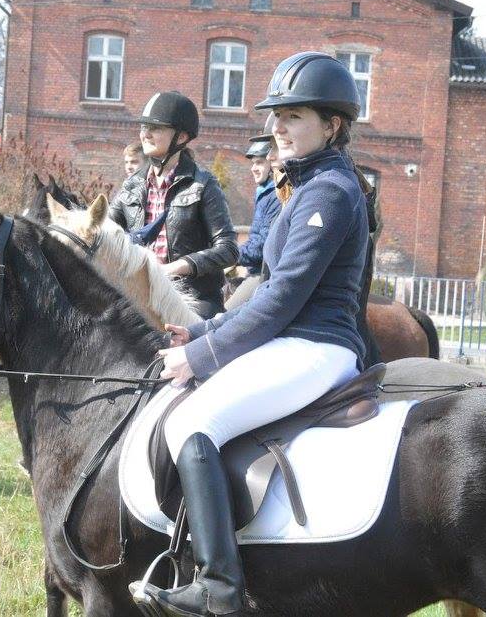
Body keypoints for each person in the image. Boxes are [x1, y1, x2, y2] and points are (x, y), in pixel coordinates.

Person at [134, 52, 369, 616]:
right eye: (276, 116)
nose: (278, 127)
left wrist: (202, 357)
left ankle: (219, 589)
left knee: (193, 424)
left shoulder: (329, 191)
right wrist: (202, 331)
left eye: (293, 116)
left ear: (332, 125)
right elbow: (263, 295)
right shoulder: (306, 185)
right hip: (297, 339)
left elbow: (283, 299)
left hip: (316, 346)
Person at [109, 91, 238, 319]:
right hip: (140, 293)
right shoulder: (131, 185)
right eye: (143, 127)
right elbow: (104, 228)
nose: (145, 134)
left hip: (193, 296)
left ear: (181, 137)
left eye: (155, 128)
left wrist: (177, 267)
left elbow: (228, 249)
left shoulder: (203, 184)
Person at [224, 117, 282, 311]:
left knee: (225, 314)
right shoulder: (265, 193)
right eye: (253, 163)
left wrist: (231, 256)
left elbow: (262, 244)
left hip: (264, 273)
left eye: (259, 163)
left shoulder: (276, 196)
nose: (253, 168)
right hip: (256, 269)